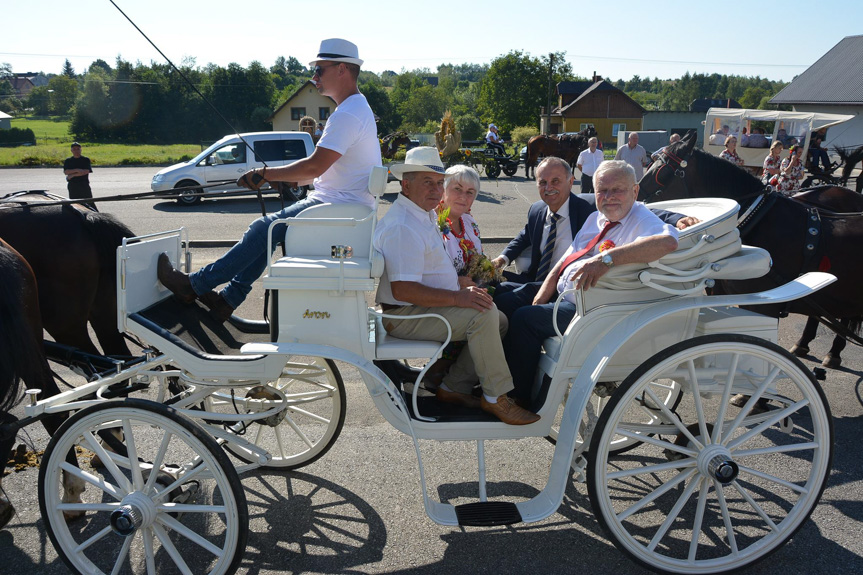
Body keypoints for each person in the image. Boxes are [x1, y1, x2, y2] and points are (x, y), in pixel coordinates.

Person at [158, 38, 381, 321]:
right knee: (268, 231)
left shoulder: (347, 114)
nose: (314, 78)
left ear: (341, 69)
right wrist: (284, 179)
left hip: (340, 207)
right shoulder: (357, 108)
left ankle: (195, 285)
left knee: (264, 228)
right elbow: (331, 169)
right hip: (343, 205)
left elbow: (314, 167)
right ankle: (228, 299)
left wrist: (266, 175)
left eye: (319, 70)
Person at [374, 147, 540, 425]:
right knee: (485, 315)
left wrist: (459, 286)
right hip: (404, 315)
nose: (436, 190)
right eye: (427, 182)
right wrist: (457, 296)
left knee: (496, 318)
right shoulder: (403, 225)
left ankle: (454, 388)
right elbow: (403, 290)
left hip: (417, 306)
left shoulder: (420, 213)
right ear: (406, 184)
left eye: (439, 183)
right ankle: (496, 398)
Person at [502, 160, 679, 404]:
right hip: (567, 293)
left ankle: (516, 399)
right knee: (503, 299)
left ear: (635, 191)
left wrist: (606, 260)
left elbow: (667, 243)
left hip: (593, 308)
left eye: (617, 189)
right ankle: (487, 381)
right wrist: (541, 295)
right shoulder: (595, 218)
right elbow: (563, 262)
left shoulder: (642, 219)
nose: (609, 197)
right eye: (602, 191)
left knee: (525, 319)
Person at [491, 157, 693, 313]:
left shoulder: (591, 206)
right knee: (493, 289)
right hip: (545, 280)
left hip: (581, 294)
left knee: (517, 310)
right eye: (542, 182)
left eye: (555, 181)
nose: (548, 188)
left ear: (571, 182)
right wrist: (502, 258)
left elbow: (636, 208)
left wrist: (675, 218)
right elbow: (525, 235)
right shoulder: (538, 209)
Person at [63, 142, 94, 208]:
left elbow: (86, 171)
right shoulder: (68, 161)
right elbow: (66, 172)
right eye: (74, 149)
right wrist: (77, 170)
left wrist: (72, 175)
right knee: (75, 204)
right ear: (71, 150)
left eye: (78, 149)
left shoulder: (85, 160)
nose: (76, 151)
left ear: (81, 150)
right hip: (73, 186)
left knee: (90, 204)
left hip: (84, 185)